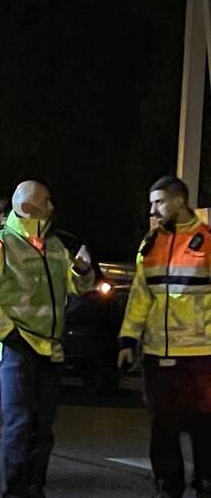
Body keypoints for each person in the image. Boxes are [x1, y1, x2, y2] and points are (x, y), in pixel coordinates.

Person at [0, 180, 94, 498]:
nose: (52, 207)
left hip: (50, 346)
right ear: (27, 206)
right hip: (18, 345)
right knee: (19, 425)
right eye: (46, 201)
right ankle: (15, 492)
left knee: (43, 429)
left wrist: (81, 271)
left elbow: (76, 287)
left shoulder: (54, 245)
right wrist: (6, 330)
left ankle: (35, 489)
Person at [118, 176, 211, 498]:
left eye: (158, 202)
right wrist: (128, 340)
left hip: (201, 355)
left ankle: (206, 484)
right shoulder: (151, 243)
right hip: (159, 354)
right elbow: (140, 296)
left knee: (205, 428)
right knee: (163, 429)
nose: (153, 210)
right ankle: (167, 487)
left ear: (179, 202)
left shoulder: (207, 241)